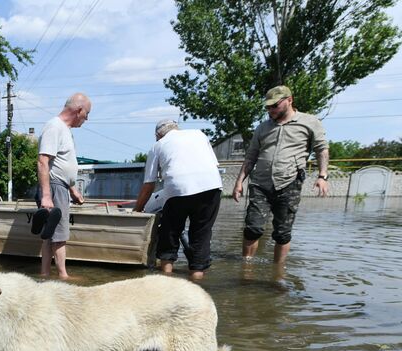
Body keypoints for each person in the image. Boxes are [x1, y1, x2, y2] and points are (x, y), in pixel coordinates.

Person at [232, 85, 330, 264]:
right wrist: (239, 182)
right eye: (268, 107)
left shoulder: (309, 122)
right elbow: (251, 156)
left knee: (282, 232)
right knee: (252, 227)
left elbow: (322, 149)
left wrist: (322, 176)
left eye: (274, 105)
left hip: (289, 183)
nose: (270, 110)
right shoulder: (262, 128)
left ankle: (278, 272)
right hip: (260, 184)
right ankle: (246, 268)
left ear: (289, 100)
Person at [133, 120, 223, 280]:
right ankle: (197, 280)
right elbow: (213, 165)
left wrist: (137, 210)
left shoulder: (158, 145)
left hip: (178, 188)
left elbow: (149, 184)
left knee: (170, 233)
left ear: (157, 135)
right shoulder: (199, 134)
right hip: (212, 187)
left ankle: (166, 280)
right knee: (201, 235)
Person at [36, 93, 90, 279]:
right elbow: (43, 161)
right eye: (87, 114)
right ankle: (63, 276)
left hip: (60, 186)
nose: (87, 118)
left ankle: (44, 274)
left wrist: (73, 189)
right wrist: (46, 195)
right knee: (59, 234)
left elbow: (60, 165)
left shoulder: (64, 130)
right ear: (79, 110)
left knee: (49, 233)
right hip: (54, 187)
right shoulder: (55, 126)